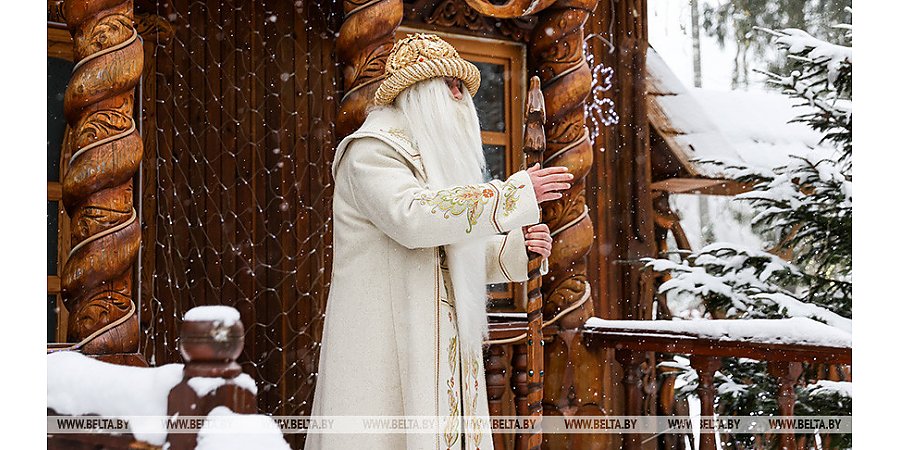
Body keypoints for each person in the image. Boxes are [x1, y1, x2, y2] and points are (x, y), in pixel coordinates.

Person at [305, 34, 572, 450]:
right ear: (417, 92)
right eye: (449, 83)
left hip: (434, 337)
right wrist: (510, 196)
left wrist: (513, 247)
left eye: (462, 86)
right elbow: (413, 218)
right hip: (386, 344)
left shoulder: (432, 162)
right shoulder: (371, 152)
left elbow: (445, 249)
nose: (460, 95)